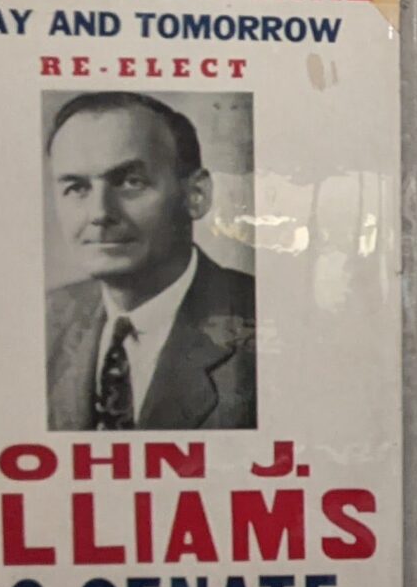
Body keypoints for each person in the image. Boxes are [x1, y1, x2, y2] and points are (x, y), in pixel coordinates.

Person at [43, 91, 257, 432]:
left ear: (195, 195)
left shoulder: (261, 326)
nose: (100, 213)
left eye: (131, 182)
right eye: (77, 188)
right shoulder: (48, 319)